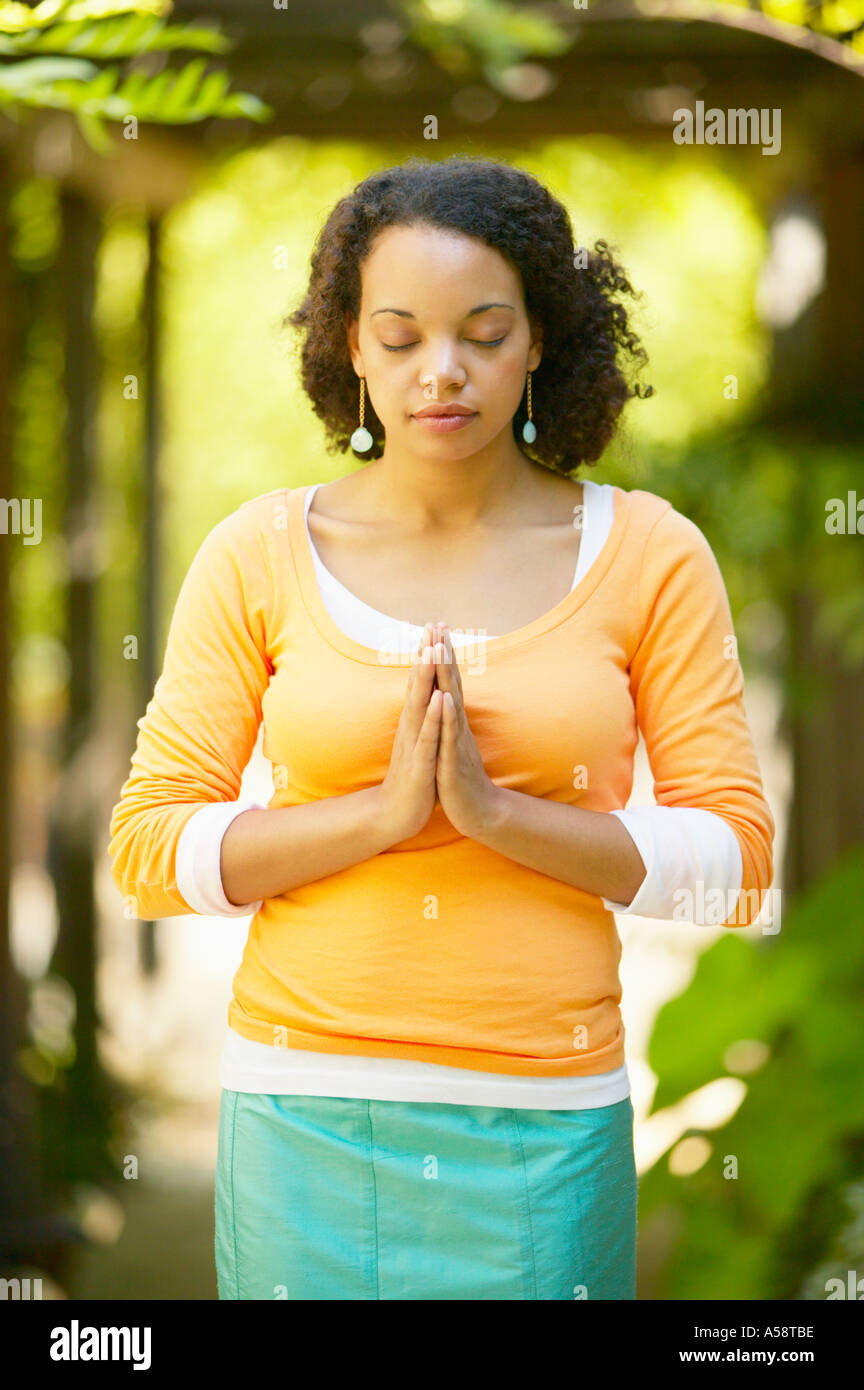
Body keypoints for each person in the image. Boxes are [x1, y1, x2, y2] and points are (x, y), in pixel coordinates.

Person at [108, 154, 775, 1300]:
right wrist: (379, 816)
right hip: (302, 1116)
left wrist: (499, 815)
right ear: (351, 348)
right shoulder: (256, 553)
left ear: (542, 340)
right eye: (402, 335)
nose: (442, 373)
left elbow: (738, 866)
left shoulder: (650, 554)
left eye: (484, 331)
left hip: (547, 1128)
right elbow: (146, 856)